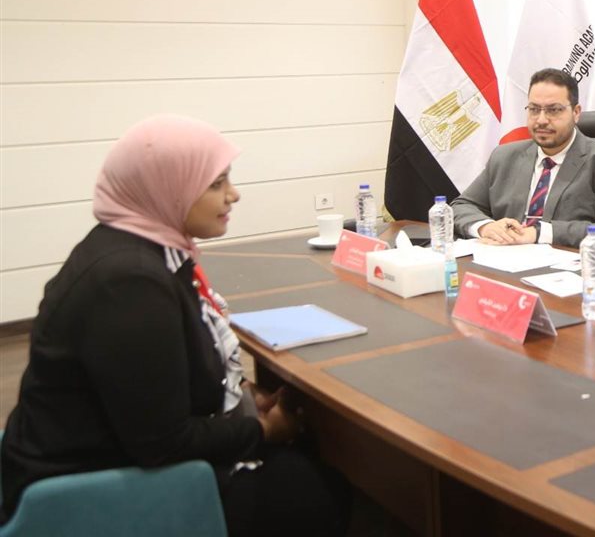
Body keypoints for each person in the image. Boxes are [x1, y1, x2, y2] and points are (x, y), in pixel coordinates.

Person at [0, 115, 348, 536]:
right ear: (167, 187)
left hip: (94, 455)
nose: (234, 194)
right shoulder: (130, 281)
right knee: (315, 491)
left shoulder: (139, 248)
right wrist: (261, 430)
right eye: (216, 183)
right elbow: (162, 443)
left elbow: (161, 377)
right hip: (85, 490)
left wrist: (241, 398)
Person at [452, 68, 595, 251]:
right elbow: (461, 206)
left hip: (565, 266)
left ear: (576, 112)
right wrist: (486, 227)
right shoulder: (504, 156)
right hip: (502, 260)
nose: (541, 120)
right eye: (534, 109)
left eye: (553, 110)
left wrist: (538, 233)